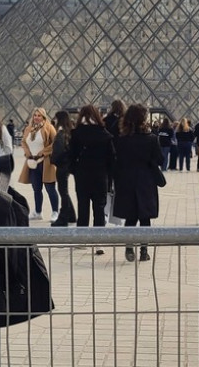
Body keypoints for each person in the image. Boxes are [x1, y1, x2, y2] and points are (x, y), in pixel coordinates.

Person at [112, 104, 162, 262]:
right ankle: (144, 251)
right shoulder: (151, 139)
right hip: (145, 181)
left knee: (130, 216)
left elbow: (115, 162)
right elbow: (159, 159)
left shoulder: (121, 139)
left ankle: (129, 247)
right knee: (145, 217)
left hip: (126, 181)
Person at [69, 105, 115, 239]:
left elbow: (71, 157)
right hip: (100, 176)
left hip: (82, 175)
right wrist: (110, 177)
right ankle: (99, 240)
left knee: (83, 207)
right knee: (99, 208)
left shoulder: (76, 134)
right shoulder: (105, 134)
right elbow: (112, 159)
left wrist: (75, 171)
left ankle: (82, 238)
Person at [18, 107, 59, 221]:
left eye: (39, 115)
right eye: (35, 115)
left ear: (44, 117)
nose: (36, 117)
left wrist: (43, 152)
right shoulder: (29, 129)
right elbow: (23, 142)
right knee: (36, 189)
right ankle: (37, 212)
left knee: (50, 188)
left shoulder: (49, 128)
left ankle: (55, 212)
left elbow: (56, 142)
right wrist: (27, 153)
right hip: (32, 162)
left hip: (46, 163)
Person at [51, 110, 77, 226]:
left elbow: (59, 151)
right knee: (64, 191)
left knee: (63, 191)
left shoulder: (61, 132)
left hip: (61, 165)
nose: (54, 120)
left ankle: (64, 217)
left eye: (55, 118)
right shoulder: (69, 131)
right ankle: (71, 215)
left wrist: (54, 160)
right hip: (67, 165)